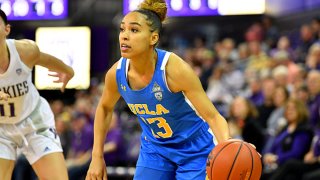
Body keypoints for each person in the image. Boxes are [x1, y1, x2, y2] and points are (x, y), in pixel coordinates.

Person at [86, 0, 230, 179]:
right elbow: (104, 108)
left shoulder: (174, 69)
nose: (124, 36)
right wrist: (97, 156)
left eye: (134, 30)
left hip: (195, 150)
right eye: (122, 29)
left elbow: (213, 116)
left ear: (153, 38)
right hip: (155, 149)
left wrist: (227, 150)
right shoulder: (115, 74)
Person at [0, 9, 74, 180]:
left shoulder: (24, 51)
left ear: (6, 29)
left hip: (33, 120)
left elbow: (45, 59)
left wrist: (67, 70)